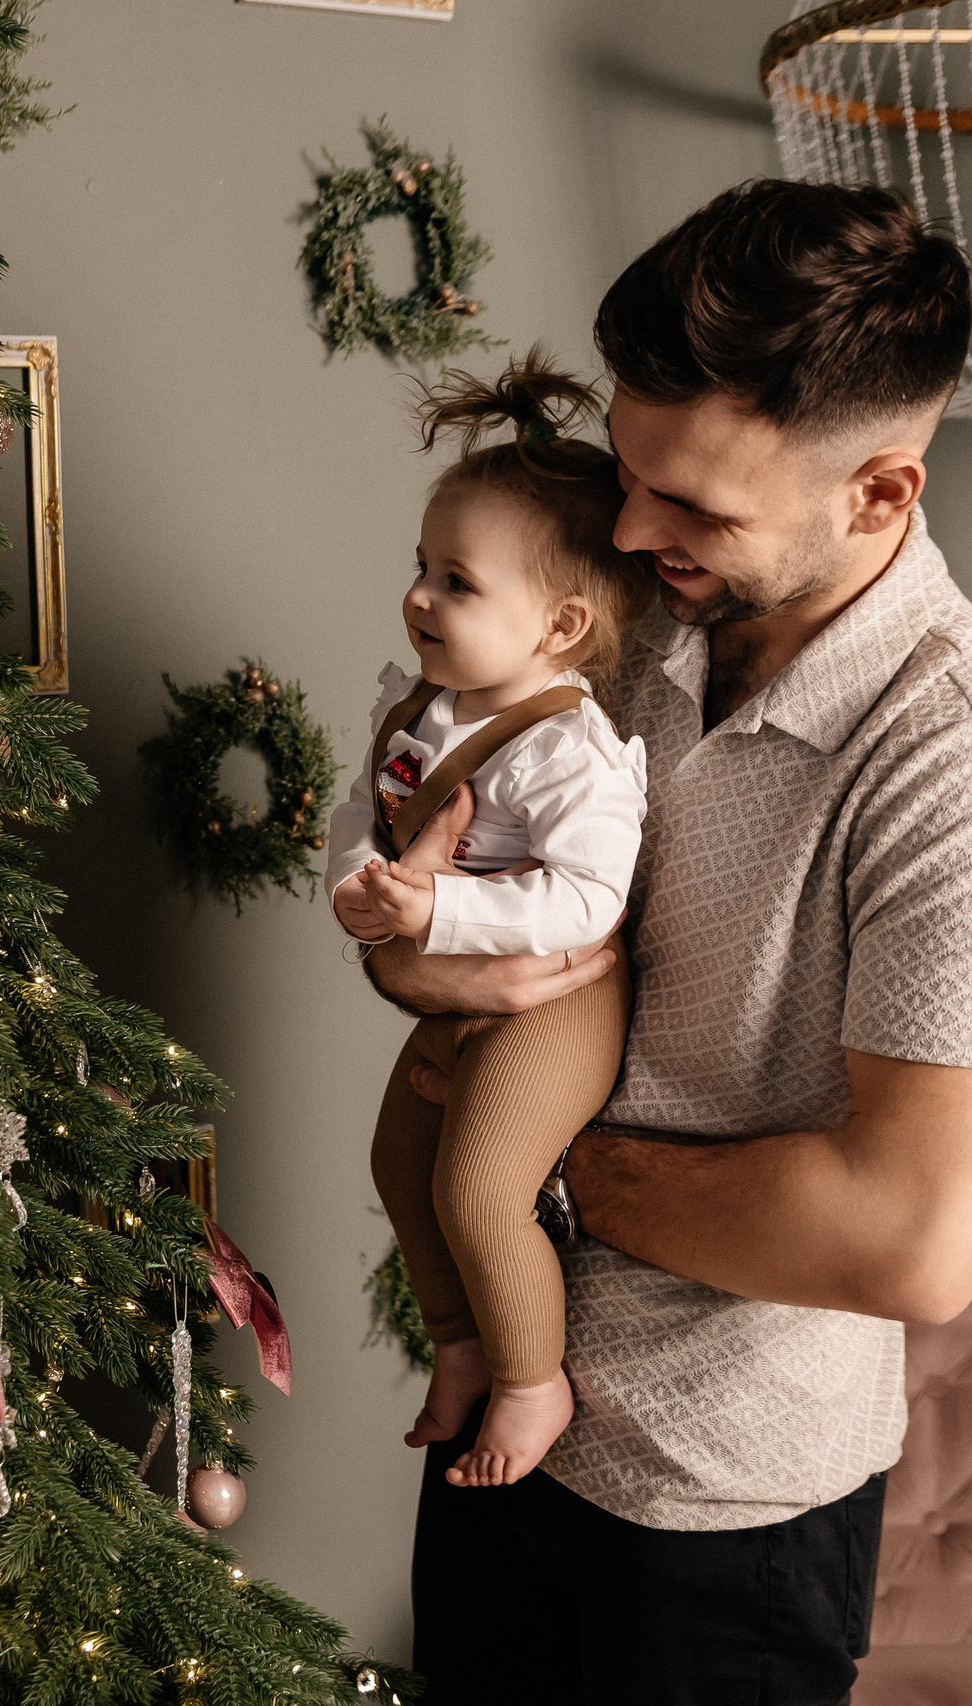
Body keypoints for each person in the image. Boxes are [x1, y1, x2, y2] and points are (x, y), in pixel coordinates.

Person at [369, 181, 972, 1704]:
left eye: (695, 505)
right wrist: (414, 960)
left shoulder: (970, 758)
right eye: (633, 472)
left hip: (722, 1509)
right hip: (507, 1424)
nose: (631, 530)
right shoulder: (626, 605)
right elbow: (429, 889)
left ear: (882, 493)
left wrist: (524, 1162)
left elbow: (916, 1233)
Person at [327, 356, 650, 1488]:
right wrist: (362, 883)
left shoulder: (574, 754)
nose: (419, 596)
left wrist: (440, 908)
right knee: (396, 1156)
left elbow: (587, 899)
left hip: (559, 994)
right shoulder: (417, 701)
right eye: (420, 567)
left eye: (455, 581)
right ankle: (459, 1343)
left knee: (477, 1187)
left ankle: (530, 1377)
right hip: (454, 967)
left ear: (557, 622)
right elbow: (358, 808)